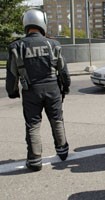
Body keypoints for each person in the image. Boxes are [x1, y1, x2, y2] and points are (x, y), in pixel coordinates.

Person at [5, 8, 71, 172]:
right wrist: (66, 86)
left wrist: (12, 92)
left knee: (33, 125)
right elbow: (63, 70)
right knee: (57, 120)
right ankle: (62, 151)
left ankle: (34, 161)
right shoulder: (53, 44)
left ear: (26, 24)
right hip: (52, 89)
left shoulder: (17, 46)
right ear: (43, 23)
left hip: (31, 91)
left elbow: (12, 74)